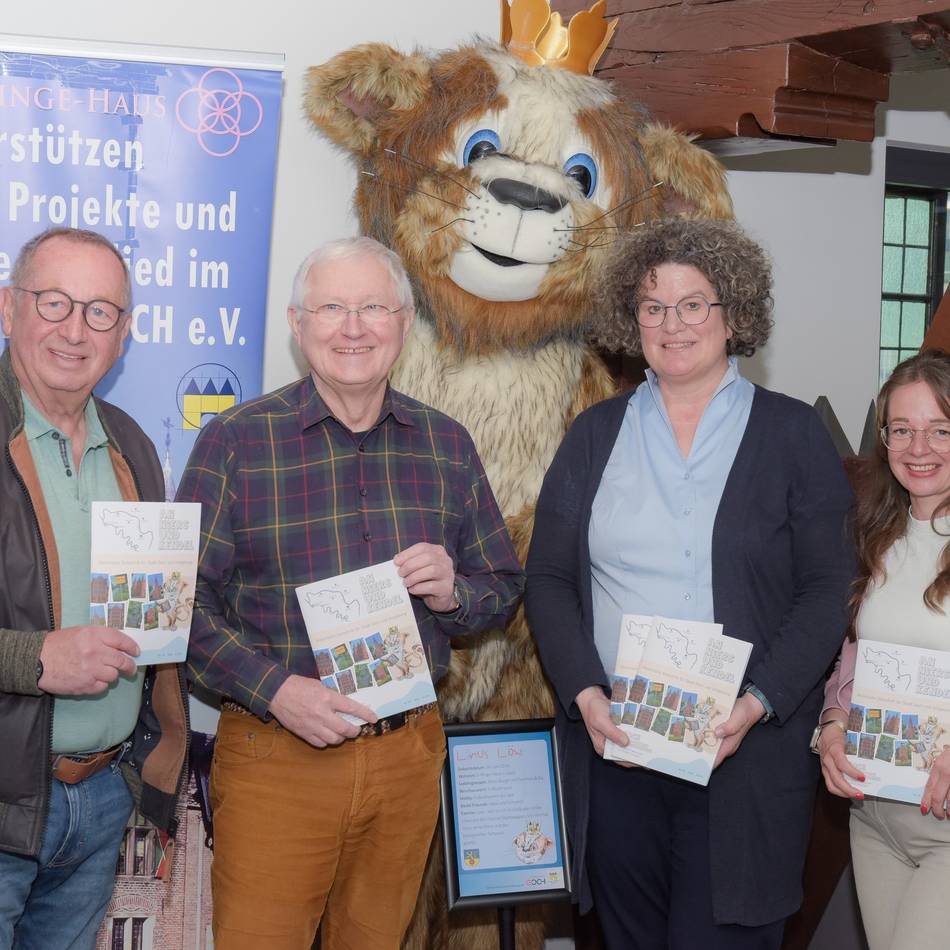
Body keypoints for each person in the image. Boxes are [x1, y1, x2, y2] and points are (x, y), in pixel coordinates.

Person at [178, 235, 524, 950]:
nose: (354, 327)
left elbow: (502, 588)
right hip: (279, 753)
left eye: (373, 308)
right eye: (332, 308)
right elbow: (183, 609)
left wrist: (452, 590)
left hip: (405, 756)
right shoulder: (237, 443)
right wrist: (277, 690)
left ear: (402, 323)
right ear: (298, 325)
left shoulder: (446, 445)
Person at [525, 218, 854, 948]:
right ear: (631, 320)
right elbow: (548, 577)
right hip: (618, 751)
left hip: (744, 757)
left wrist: (756, 702)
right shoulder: (593, 435)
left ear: (732, 314)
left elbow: (831, 588)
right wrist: (584, 693)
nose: (672, 324)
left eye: (693, 303)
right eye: (653, 306)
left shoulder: (793, 435)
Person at [0, 228, 188, 950]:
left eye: (100, 311)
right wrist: (36, 660)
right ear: (10, 308)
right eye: (54, 303)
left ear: (124, 333)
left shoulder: (135, 445)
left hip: (104, 796)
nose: (75, 330)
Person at [819, 349, 950, 950]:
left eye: (940, 430)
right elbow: (855, 657)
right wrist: (834, 723)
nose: (918, 448)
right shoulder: (877, 532)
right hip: (874, 816)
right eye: (902, 430)